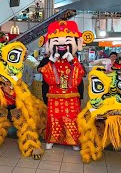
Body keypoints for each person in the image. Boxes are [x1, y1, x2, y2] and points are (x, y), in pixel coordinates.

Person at [40, 20, 84, 151]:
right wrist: (52, 62)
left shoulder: (75, 62)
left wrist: (72, 62)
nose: (61, 44)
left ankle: (74, 141)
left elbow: (78, 77)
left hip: (71, 96)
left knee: (72, 119)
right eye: (55, 41)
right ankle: (52, 140)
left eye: (68, 40)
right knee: (54, 119)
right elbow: (48, 78)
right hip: (54, 96)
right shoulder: (51, 62)